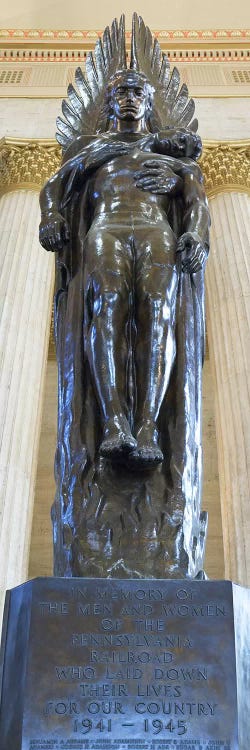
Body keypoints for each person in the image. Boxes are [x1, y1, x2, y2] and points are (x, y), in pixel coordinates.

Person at [39, 69, 209, 470]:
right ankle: (115, 421)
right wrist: (51, 216)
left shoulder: (170, 154)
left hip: (156, 232)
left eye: (137, 91)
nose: (129, 98)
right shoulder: (92, 146)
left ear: (149, 101)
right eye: (121, 92)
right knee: (106, 308)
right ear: (109, 101)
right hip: (107, 228)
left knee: (158, 315)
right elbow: (55, 186)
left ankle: (148, 425)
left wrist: (197, 235)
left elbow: (196, 195)